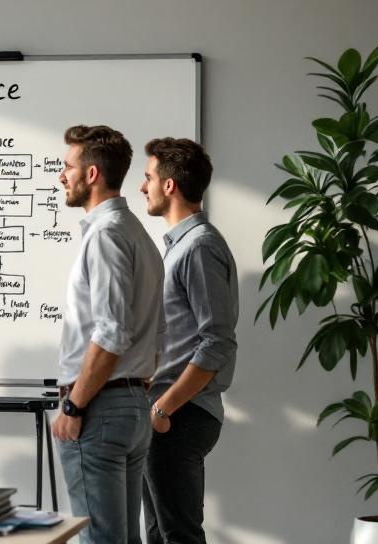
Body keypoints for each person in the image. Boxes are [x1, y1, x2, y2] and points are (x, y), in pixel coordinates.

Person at [52, 125, 164, 544]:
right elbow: (155, 329)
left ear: (92, 174)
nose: (62, 176)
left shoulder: (105, 236)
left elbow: (112, 333)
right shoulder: (137, 234)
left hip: (99, 409)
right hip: (130, 404)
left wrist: (74, 407)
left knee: (100, 539)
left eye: (68, 167)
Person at [139, 138, 238, 544]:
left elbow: (217, 342)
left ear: (169, 186)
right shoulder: (180, 248)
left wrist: (164, 407)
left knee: (179, 537)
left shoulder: (199, 247)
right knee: (159, 536)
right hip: (166, 414)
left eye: (148, 178)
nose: (142, 187)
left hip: (180, 415)